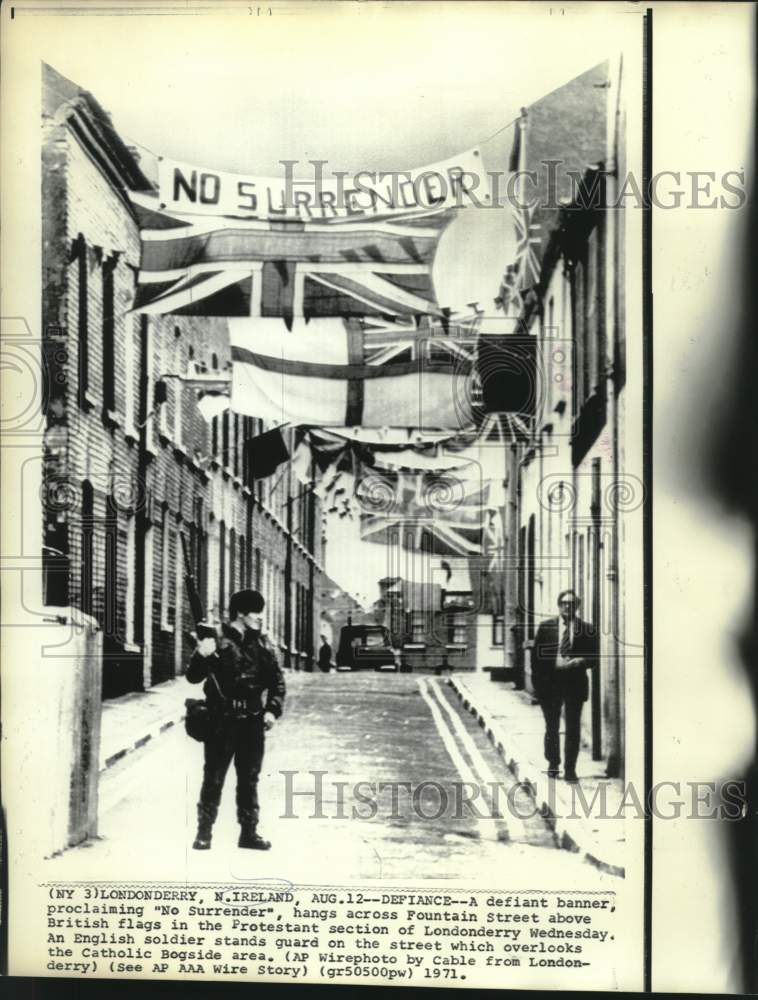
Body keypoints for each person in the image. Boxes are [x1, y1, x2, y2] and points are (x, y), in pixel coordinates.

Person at [186, 588, 286, 851]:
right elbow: (194, 676)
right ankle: (204, 833)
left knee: (249, 779)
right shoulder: (215, 639)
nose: (260, 619)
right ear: (241, 614)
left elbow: (277, 682)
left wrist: (271, 710)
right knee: (214, 777)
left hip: (252, 722)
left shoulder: (263, 644)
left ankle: (249, 833)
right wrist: (201, 654)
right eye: (256, 614)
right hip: (222, 720)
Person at [531, 589, 599, 783]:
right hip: (550, 684)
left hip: (574, 684)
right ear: (559, 606)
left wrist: (581, 661)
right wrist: (538, 687)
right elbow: (536, 659)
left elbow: (594, 658)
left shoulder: (587, 629)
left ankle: (570, 769)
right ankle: (553, 764)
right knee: (551, 727)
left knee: (573, 728)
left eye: (572, 603)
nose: (568, 607)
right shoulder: (546, 627)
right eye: (564, 603)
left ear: (577, 606)